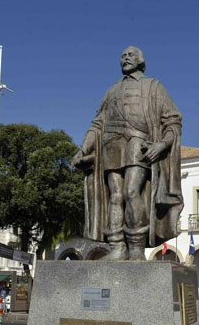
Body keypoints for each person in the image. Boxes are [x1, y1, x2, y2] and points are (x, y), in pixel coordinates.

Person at [71, 46, 183, 260]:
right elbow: (97, 125)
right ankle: (117, 248)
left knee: (132, 192)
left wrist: (162, 145)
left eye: (131, 55)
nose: (125, 58)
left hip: (138, 142)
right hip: (111, 143)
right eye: (122, 55)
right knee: (115, 196)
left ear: (141, 60)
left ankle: (137, 248)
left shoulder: (153, 87)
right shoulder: (112, 91)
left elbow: (173, 121)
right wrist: (82, 150)